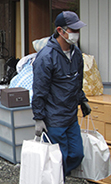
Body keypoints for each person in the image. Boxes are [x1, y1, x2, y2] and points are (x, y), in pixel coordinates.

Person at [32, 11, 92, 179]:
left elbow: (77, 82)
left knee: (77, 154)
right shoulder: (46, 57)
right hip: (55, 118)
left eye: (77, 30)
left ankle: (59, 177)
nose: (76, 34)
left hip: (71, 117)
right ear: (60, 30)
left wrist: (82, 100)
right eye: (73, 30)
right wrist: (38, 117)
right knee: (60, 158)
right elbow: (39, 90)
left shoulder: (76, 54)